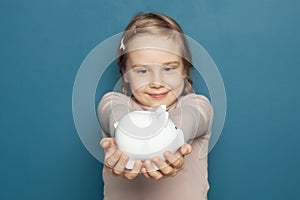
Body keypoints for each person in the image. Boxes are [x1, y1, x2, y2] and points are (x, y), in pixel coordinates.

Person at [97, 12, 213, 200]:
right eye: (142, 71)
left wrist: (171, 140)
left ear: (185, 70)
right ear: (125, 73)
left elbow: (190, 119)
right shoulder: (114, 103)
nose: (156, 81)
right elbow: (113, 115)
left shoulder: (197, 105)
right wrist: (124, 134)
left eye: (168, 68)